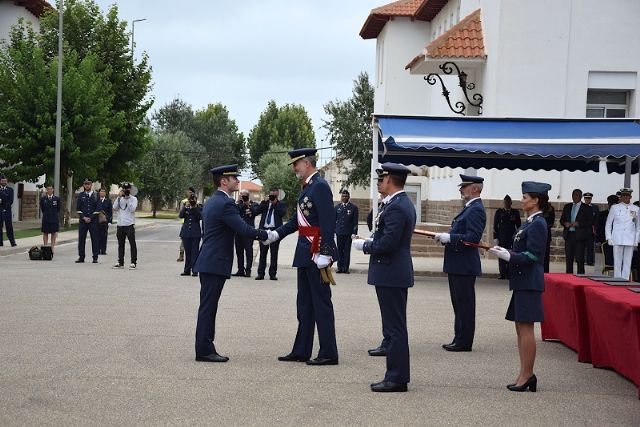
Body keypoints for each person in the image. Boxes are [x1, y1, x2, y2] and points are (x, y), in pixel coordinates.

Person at [265, 148, 339, 366]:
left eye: (296, 164)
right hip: (305, 252)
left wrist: (326, 252)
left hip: (317, 253)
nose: (294, 168)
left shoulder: (321, 187)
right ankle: (302, 350)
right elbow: (298, 221)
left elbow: (328, 222)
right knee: (304, 304)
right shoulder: (307, 188)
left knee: (321, 304)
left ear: (306, 163)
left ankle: (328, 353)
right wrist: (277, 233)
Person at [192, 164, 268, 363]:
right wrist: (266, 235)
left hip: (209, 260)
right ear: (224, 181)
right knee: (208, 307)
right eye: (233, 177)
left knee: (208, 306)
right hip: (214, 261)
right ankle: (204, 350)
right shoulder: (225, 204)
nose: (236, 180)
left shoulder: (211, 201)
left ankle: (205, 347)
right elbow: (243, 229)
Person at [352, 163, 415, 393]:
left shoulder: (398, 206)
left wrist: (364, 245)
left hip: (392, 272)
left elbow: (388, 243)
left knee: (395, 328)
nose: (380, 182)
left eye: (383, 178)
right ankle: (395, 375)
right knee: (392, 327)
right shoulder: (396, 203)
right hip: (391, 272)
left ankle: (397, 378)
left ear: (390, 180)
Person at [489, 181, 551, 393]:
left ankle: (527, 375)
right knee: (520, 329)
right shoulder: (528, 223)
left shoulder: (539, 224)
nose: (522, 200)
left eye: (525, 197)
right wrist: (504, 250)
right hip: (522, 282)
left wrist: (509, 256)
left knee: (526, 331)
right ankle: (524, 373)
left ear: (535, 200)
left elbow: (533, 255)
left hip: (530, 283)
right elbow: (520, 248)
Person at [435, 174, 487, 352]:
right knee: (458, 303)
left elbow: (473, 238)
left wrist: (450, 238)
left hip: (464, 264)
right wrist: (446, 239)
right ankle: (459, 337)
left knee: (464, 303)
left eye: (464, 186)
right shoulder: (470, 208)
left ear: (475, 189)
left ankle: (464, 341)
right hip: (458, 263)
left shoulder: (476, 209)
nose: (461, 189)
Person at [605, 188, 640, 279]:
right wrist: (609, 238)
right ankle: (617, 280)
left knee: (628, 262)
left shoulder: (635, 209)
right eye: (623, 195)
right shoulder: (615, 208)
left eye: (627, 195)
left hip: (630, 238)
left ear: (630, 196)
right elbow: (608, 224)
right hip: (617, 238)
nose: (625, 197)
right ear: (621, 197)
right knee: (617, 262)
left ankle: (625, 280)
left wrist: (637, 239)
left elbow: (637, 226)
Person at [254, 188, 286, 280]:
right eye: (271, 195)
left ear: (277, 195)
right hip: (264, 230)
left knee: (274, 253)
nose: (272, 197)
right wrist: (263, 202)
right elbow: (256, 212)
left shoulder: (281, 204)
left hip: (275, 231)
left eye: (274, 195)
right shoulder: (265, 203)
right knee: (262, 253)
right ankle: (261, 273)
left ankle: (272, 274)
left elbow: (282, 213)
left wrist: (275, 203)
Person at [559, 189, 593, 274]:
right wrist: (565, 223)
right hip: (569, 235)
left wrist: (579, 224)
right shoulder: (567, 206)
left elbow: (590, 221)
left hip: (580, 236)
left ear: (581, 196)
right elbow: (562, 219)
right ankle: (568, 277)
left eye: (577, 195)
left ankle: (580, 277)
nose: (575, 197)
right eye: (573, 195)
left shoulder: (587, 208)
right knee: (569, 258)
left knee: (579, 258)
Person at [493, 195, 521, 279]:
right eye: (505, 202)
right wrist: (496, 238)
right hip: (501, 237)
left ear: (511, 203)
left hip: (511, 237)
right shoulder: (499, 212)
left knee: (509, 255)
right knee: (501, 255)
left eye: (508, 202)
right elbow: (495, 226)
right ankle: (502, 273)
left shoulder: (515, 212)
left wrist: (517, 236)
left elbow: (518, 225)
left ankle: (509, 273)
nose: (506, 204)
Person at [112, 182, 138, 269]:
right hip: (120, 224)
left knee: (132, 244)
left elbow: (132, 209)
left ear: (130, 190)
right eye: (124, 189)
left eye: (127, 189)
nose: (126, 191)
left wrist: (127, 199)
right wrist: (119, 197)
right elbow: (115, 207)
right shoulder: (119, 199)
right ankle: (120, 262)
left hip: (129, 224)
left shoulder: (134, 199)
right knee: (121, 244)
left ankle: (133, 262)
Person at [233, 189, 257, 277]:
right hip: (238, 231)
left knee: (248, 251)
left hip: (248, 231)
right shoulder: (238, 204)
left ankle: (248, 270)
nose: (243, 197)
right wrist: (240, 202)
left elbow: (255, 212)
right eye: (241, 195)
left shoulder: (253, 204)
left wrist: (248, 204)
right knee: (239, 251)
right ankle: (240, 269)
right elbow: (235, 212)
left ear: (248, 196)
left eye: (244, 196)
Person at [334, 190, 359, 273]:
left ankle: (345, 268)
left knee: (347, 250)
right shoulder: (337, 208)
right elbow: (334, 220)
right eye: (343, 196)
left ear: (349, 197)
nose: (344, 197)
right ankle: (339, 267)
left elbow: (355, 222)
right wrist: (334, 231)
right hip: (339, 232)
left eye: (346, 196)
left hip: (348, 233)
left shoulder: (353, 208)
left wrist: (354, 233)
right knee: (339, 250)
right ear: (341, 197)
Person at [76, 178, 99, 263]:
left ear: (91, 185)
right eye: (85, 184)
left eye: (88, 184)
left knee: (94, 239)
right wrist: (83, 217)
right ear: (83, 185)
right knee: (81, 239)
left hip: (93, 221)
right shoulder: (81, 195)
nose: (87, 185)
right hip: (83, 221)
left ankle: (95, 257)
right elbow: (78, 208)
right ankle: (81, 257)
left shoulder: (96, 195)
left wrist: (91, 217)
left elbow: (98, 208)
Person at [179, 193, 202, 276]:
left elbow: (201, 216)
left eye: (193, 200)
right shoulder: (186, 207)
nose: (192, 201)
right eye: (190, 199)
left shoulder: (199, 208)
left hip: (195, 233)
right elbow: (181, 216)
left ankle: (195, 270)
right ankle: (187, 270)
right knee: (187, 252)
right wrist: (185, 207)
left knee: (195, 252)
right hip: (186, 233)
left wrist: (195, 207)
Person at [40, 183, 61, 252]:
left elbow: (58, 209)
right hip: (46, 218)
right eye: (48, 189)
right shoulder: (43, 199)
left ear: (53, 190)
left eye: (51, 189)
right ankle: (46, 247)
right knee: (45, 233)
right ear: (46, 190)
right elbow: (42, 208)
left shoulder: (56, 199)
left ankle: (52, 248)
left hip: (54, 218)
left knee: (53, 233)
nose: (49, 190)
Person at [177, 187, 195, 262]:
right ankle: (181, 254)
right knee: (183, 241)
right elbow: (181, 213)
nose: (189, 194)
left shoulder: (196, 201)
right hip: (185, 223)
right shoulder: (184, 201)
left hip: (193, 224)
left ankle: (192, 256)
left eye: (191, 192)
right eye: (188, 192)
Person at [0, 174, 17, 247]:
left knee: (9, 226)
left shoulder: (10, 190)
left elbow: (10, 201)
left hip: (7, 210)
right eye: (2, 181)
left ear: (7, 182)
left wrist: (4, 206)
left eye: (5, 181)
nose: (4, 182)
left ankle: (12, 242)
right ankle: (0, 242)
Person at [583, 192, 599, 266]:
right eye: (586, 198)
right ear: (584, 199)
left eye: (589, 198)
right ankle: (580, 260)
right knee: (581, 245)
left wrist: (595, 228)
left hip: (590, 229)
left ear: (591, 199)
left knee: (590, 246)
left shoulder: (595, 207)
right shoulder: (581, 206)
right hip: (582, 229)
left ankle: (590, 261)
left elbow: (597, 218)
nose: (587, 200)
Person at [96, 188, 113, 255]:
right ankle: (97, 249)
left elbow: (110, 212)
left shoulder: (108, 201)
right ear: (99, 193)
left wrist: (110, 221)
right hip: (97, 221)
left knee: (104, 235)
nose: (102, 193)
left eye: (103, 192)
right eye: (101, 192)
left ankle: (103, 250)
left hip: (105, 221)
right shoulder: (96, 200)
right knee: (97, 236)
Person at [542, 205, 555, 273]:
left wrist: (541, 226)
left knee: (546, 256)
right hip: (536, 234)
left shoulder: (550, 208)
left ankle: (545, 273)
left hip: (546, 234)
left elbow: (551, 222)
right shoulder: (536, 206)